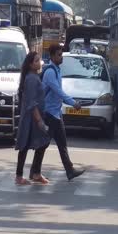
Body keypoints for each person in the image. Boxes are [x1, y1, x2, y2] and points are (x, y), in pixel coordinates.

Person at [42, 43, 85, 181]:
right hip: (50, 113)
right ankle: (35, 170)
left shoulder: (57, 70)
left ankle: (69, 170)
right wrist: (73, 103)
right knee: (44, 144)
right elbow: (58, 92)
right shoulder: (50, 72)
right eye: (59, 55)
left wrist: (70, 103)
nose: (61, 57)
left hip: (56, 112)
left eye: (61, 54)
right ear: (52, 56)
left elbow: (59, 93)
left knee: (61, 144)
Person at [15, 52, 52, 185]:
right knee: (24, 146)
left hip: (35, 117)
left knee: (43, 143)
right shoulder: (31, 79)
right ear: (30, 64)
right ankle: (19, 176)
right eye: (36, 61)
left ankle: (36, 173)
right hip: (30, 119)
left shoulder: (35, 77)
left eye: (39, 60)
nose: (39, 63)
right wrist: (39, 121)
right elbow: (31, 102)